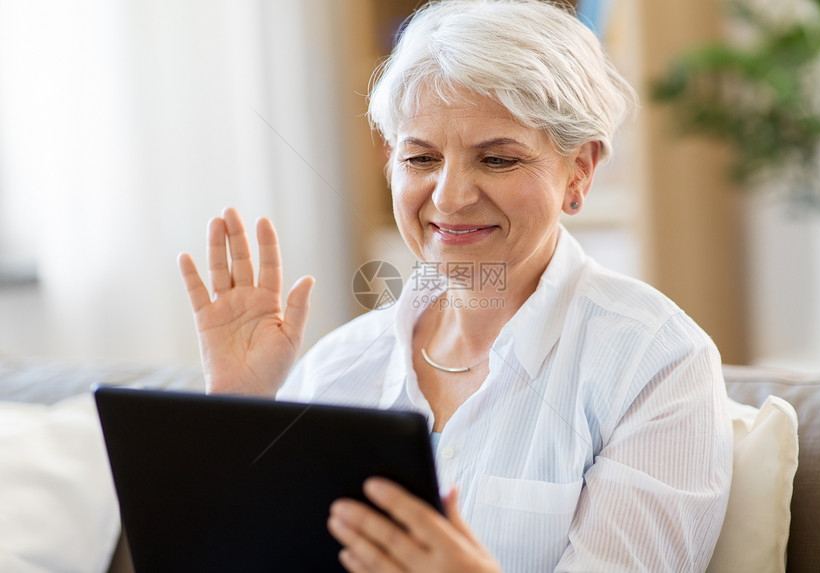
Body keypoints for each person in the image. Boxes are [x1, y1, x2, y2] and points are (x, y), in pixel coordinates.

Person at [178, 0, 732, 571]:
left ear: (580, 170)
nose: (448, 196)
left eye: (496, 160)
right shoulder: (336, 369)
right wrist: (237, 415)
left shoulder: (658, 362)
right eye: (420, 158)